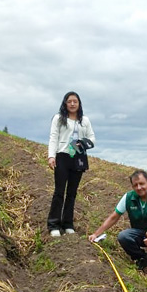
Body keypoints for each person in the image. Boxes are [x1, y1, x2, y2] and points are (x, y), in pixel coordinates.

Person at [88, 170, 147, 268]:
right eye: (135, 185)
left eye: (142, 184)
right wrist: (96, 234)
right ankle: (142, 258)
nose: (139, 188)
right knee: (123, 236)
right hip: (139, 232)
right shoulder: (128, 197)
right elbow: (114, 217)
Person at [47, 91, 95, 237]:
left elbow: (92, 137)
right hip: (62, 156)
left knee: (72, 193)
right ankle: (53, 224)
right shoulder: (59, 118)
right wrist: (51, 156)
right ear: (65, 103)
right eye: (69, 101)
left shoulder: (84, 120)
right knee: (59, 191)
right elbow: (53, 137)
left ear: (79, 104)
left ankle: (68, 223)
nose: (72, 104)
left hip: (78, 157)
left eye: (75, 101)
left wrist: (83, 143)